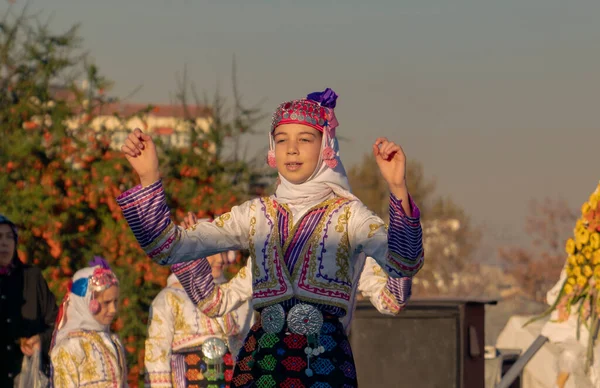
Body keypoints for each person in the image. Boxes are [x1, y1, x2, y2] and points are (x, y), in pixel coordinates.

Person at [117, 87, 424, 386]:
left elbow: (404, 264)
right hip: (260, 364)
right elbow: (168, 248)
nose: (291, 148)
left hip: (322, 364)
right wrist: (149, 178)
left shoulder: (350, 217)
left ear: (327, 146)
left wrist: (398, 189)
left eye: (305, 139)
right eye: (281, 139)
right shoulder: (255, 216)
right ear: (272, 149)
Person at [145, 217, 254, 388]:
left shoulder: (236, 297)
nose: (220, 259)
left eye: (222, 251)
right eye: (211, 252)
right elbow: (157, 354)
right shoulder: (169, 299)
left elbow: (246, 351)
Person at [50, 257, 128, 388]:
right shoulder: (70, 347)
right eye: (107, 302)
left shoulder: (113, 342)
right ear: (86, 302)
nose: (113, 310)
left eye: (115, 302)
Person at [0, 214, 58, 387]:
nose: (4, 243)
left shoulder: (32, 278)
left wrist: (41, 339)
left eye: (9, 237)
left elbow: (56, 324)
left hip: (29, 378)